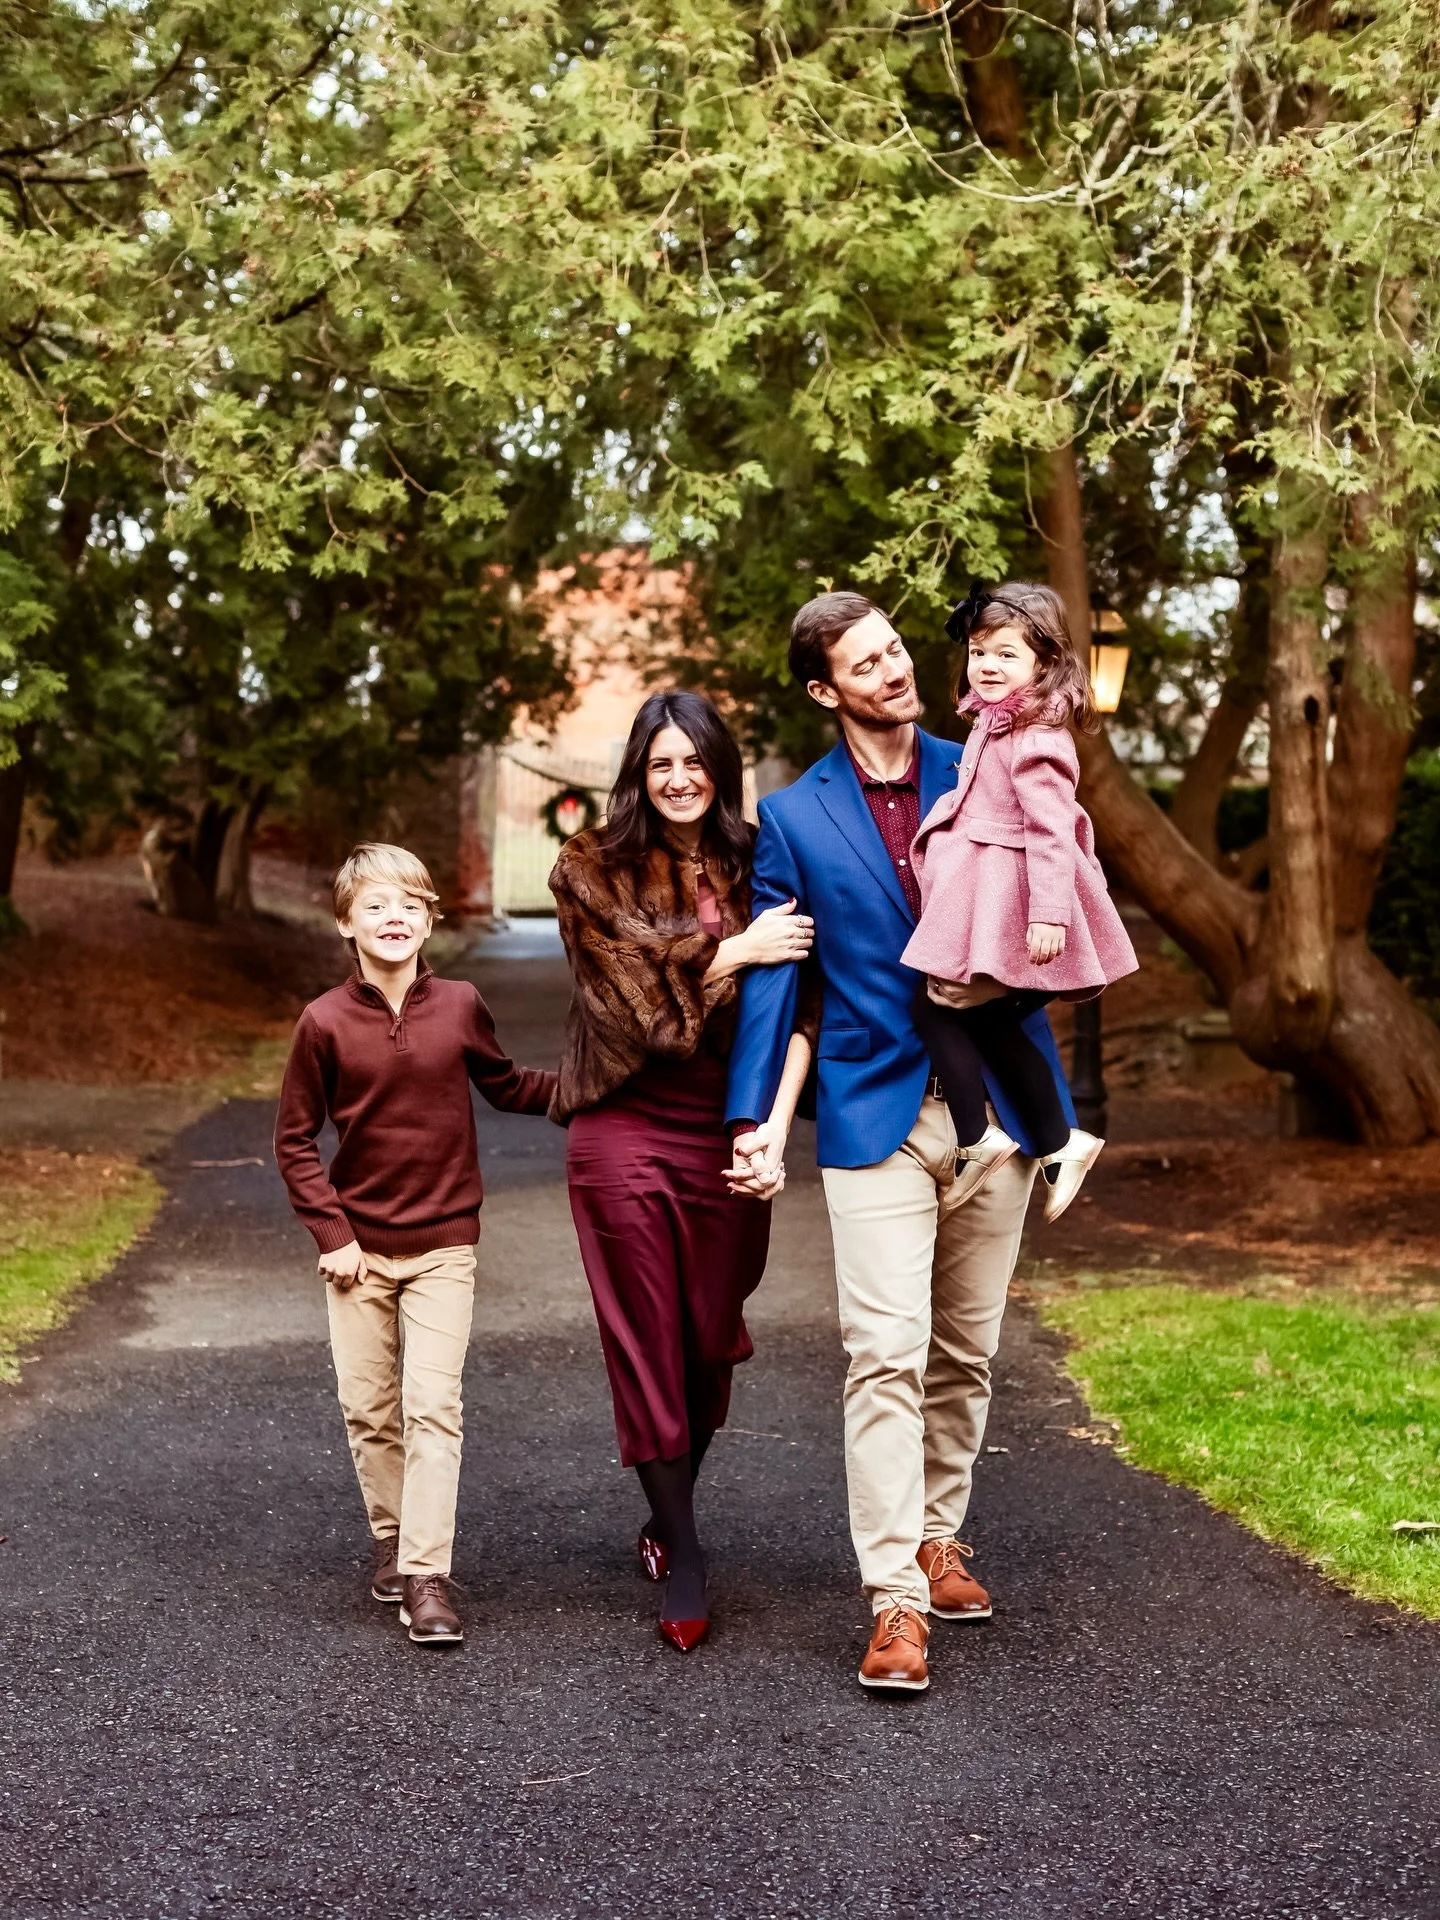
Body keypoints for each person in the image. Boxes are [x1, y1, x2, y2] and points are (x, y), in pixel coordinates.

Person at [725, 592, 1073, 1695]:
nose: (893, 669)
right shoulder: (791, 818)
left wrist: (1007, 971)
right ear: (826, 689)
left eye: (895, 649)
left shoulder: (990, 757)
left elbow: (1060, 902)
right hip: (876, 1111)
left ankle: (938, 1529)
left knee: (965, 1349)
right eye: (863, 662)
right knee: (883, 1353)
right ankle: (895, 1599)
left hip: (1000, 1110)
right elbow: (782, 977)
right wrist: (752, 1118)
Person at [550, 690, 816, 1654]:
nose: (678, 778)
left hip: (730, 1127)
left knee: (709, 1334)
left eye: (694, 759)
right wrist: (735, 948)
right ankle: (687, 1550)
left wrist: (775, 1131)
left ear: (720, 764)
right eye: (660, 762)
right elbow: (628, 1014)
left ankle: (670, 1515)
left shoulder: (763, 855)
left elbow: (803, 1010)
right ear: (638, 770)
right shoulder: (590, 869)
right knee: (646, 1336)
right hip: (623, 1124)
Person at [274, 842, 555, 1647]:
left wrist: (591, 1093)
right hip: (357, 1251)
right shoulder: (322, 1022)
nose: (393, 918)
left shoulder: (461, 1003)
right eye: (374, 906)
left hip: (444, 1247)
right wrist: (331, 1233)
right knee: (369, 1410)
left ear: (430, 918)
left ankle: (426, 1575)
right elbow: (295, 1141)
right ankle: (394, 1539)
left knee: (434, 1406)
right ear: (345, 924)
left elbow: (507, 1084)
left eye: (409, 905)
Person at [903, 582, 1138, 1222]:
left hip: (1010, 893)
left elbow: (1051, 833)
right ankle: (1053, 1141)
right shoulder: (995, 718)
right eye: (980, 652)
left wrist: (1048, 917)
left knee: (941, 1005)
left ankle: (985, 1138)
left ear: (1044, 661)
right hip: (984, 883)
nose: (988, 665)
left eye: (1007, 654)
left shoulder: (1038, 738)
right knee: (969, 1013)